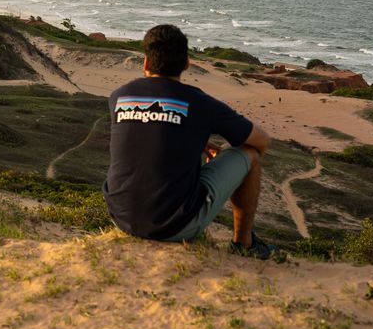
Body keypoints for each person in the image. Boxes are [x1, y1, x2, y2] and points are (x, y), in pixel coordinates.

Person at [103, 23, 277, 258]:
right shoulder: (200, 103)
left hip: (121, 218)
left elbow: (149, 131)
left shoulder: (119, 96)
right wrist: (224, 150)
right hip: (175, 227)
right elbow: (262, 141)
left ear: (145, 62)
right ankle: (244, 244)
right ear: (186, 64)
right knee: (250, 155)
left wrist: (195, 139)